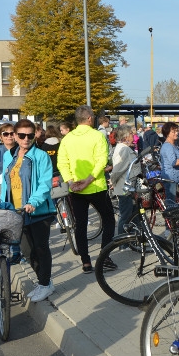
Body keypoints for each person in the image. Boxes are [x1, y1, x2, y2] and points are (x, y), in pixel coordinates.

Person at [57, 105, 117, 274]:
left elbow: (62, 163)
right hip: (96, 186)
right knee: (109, 220)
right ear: (90, 118)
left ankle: (86, 263)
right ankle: (104, 257)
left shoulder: (67, 138)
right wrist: (89, 179)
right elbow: (101, 160)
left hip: (76, 189)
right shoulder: (97, 136)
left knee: (80, 225)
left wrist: (70, 181)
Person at [2, 120, 56, 301]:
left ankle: (44, 284)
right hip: (17, 211)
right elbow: (5, 183)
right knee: (26, 250)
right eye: (22, 135)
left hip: (38, 211)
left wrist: (33, 201)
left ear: (35, 136)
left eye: (30, 135)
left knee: (40, 248)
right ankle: (45, 282)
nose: (26, 139)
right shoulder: (8, 156)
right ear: (15, 136)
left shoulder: (41, 156)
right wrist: (4, 205)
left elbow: (45, 183)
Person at [110, 125, 138, 236]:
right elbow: (117, 169)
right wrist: (113, 181)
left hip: (128, 187)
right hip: (124, 188)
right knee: (126, 215)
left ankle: (135, 238)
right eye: (131, 133)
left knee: (133, 215)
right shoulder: (123, 149)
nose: (133, 135)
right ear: (125, 136)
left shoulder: (125, 148)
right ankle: (122, 242)